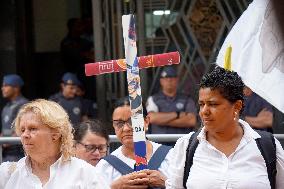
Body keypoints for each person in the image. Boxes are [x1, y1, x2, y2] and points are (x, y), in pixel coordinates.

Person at [165, 66, 284, 188]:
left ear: (237, 106)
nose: (204, 111)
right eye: (201, 104)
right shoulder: (186, 146)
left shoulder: (267, 146)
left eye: (213, 104)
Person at [0, 99, 109, 188]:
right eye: (22, 130)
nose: (25, 135)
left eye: (33, 129)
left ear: (56, 134)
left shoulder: (84, 173)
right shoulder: (7, 173)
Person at [95, 97, 173, 188]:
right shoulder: (106, 166)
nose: (126, 128)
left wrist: (166, 183)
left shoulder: (170, 156)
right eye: (119, 123)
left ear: (146, 122)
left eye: (132, 121)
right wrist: (114, 187)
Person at [146, 66, 197, 135]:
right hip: (159, 143)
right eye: (166, 78)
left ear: (177, 80)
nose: (169, 80)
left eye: (172, 77)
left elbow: (191, 121)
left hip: (182, 143)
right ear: (161, 81)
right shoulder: (153, 99)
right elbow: (151, 118)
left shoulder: (187, 99)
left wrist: (161, 121)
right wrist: (177, 114)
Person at [1, 74, 28, 161]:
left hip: (18, 153)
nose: (2, 88)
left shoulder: (24, 105)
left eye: (6, 86)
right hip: (5, 152)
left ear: (16, 88)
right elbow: (5, 128)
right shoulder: (7, 106)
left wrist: (7, 141)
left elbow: (24, 128)